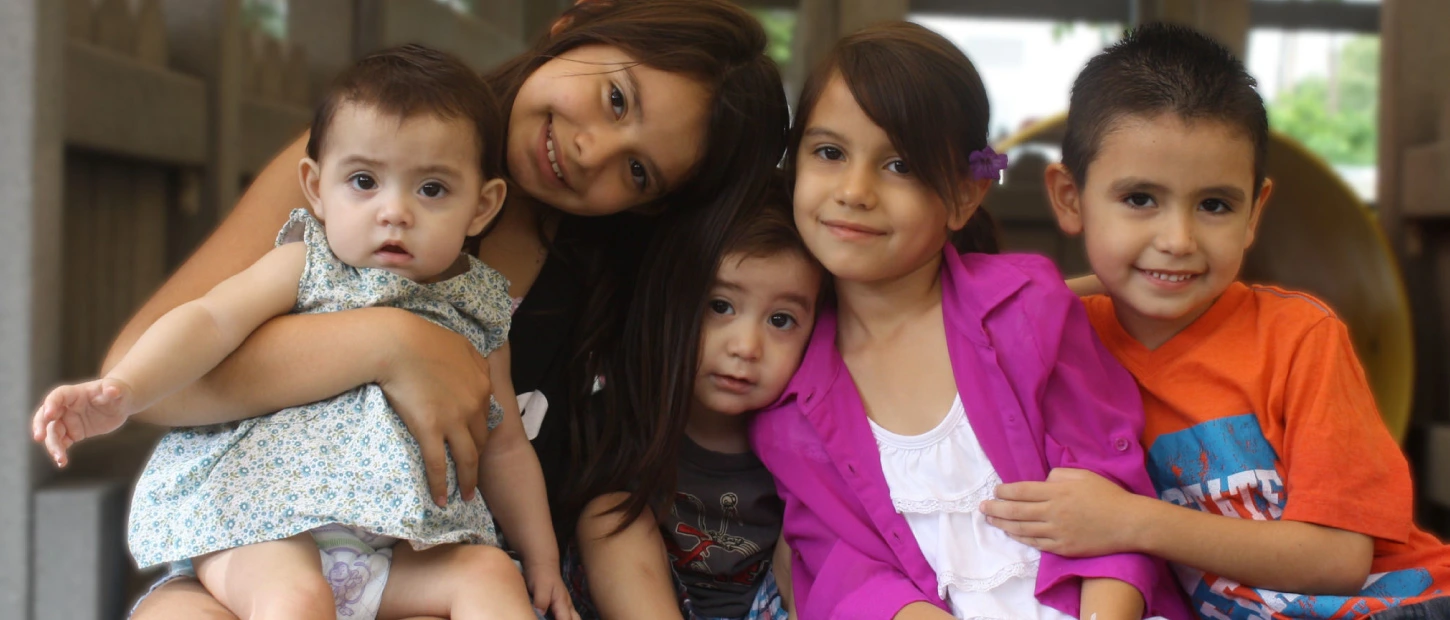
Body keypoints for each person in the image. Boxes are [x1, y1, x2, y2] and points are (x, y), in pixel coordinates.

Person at [112, 1, 790, 617]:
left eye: (638, 171)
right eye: (615, 98)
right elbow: (149, 386)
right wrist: (390, 343)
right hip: (260, 549)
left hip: (429, 578)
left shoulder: (606, 289)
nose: (592, 152)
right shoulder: (372, 157)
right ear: (578, 22)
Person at [36, 45, 569, 620]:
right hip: (262, 526)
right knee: (295, 601)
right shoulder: (306, 263)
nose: (395, 211)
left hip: (396, 550)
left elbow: (507, 447)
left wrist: (542, 562)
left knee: (490, 575)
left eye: (432, 189)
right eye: (364, 181)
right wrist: (125, 390)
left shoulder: (479, 308)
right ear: (316, 188)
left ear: (482, 207)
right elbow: (209, 320)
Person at [981, 23, 1450, 620]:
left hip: (1402, 603)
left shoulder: (1298, 338)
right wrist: (1079, 288)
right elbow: (972, 317)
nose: (1177, 240)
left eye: (1214, 205)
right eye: (1140, 199)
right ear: (1070, 199)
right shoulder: (1067, 337)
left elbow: (1339, 558)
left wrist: (1131, 521)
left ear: (1254, 213)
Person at [749, 22, 1190, 620]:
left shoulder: (1026, 310)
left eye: (900, 165)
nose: (854, 190)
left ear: (965, 194)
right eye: (830, 153)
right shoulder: (790, 395)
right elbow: (843, 566)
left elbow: (1106, 483)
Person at [567, 179, 817, 620]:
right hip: (643, 599)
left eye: (781, 319)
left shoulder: (807, 433)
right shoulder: (629, 406)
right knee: (608, 518)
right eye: (720, 306)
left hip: (761, 603)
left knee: (817, 542)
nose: (746, 346)